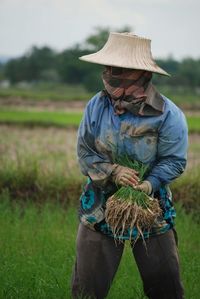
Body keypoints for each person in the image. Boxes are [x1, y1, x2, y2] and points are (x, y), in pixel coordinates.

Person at [71, 32, 188, 299]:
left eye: (118, 70)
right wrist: (114, 171)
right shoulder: (96, 106)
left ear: (140, 74)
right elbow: (85, 153)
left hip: (150, 209)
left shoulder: (168, 115)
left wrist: (148, 184)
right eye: (108, 68)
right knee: (87, 290)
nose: (109, 74)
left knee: (166, 288)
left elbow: (174, 161)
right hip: (99, 208)